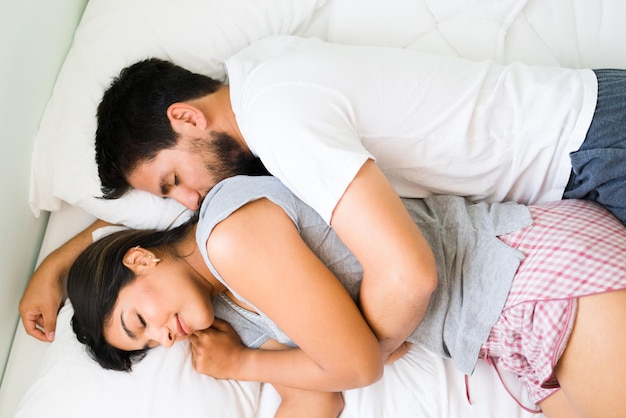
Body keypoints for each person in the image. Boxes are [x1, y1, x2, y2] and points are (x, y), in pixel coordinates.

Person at [20, 34, 626, 343]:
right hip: (574, 168)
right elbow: (160, 250)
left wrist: (360, 351)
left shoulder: (280, 118)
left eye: (174, 180)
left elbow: (410, 276)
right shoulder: (259, 83)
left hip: (590, 144)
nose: (190, 201)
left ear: (186, 117)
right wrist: (62, 261)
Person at [67, 175, 626, 417]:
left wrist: (240, 366)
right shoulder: (234, 307)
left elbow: (356, 366)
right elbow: (317, 397)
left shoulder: (230, 233)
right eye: (150, 343)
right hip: (508, 339)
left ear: (141, 259)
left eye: (140, 319)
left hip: (528, 277)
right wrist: (261, 359)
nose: (165, 337)